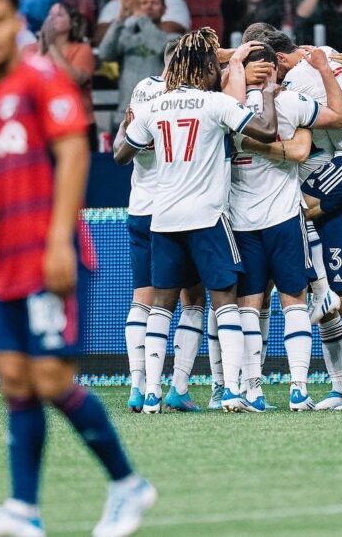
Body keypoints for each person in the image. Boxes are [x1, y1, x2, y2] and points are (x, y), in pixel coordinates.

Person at [0, 0, 155, 537]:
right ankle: (23, 511)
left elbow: (72, 156)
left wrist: (61, 242)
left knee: (50, 378)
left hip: (50, 255)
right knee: (14, 379)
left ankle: (127, 485)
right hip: (10, 262)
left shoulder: (44, 78)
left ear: (17, 23)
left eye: (0, 20)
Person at [114, 31, 280, 413]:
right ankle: (234, 390)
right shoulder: (214, 103)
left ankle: (151, 392)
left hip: (163, 218)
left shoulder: (155, 105)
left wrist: (128, 125)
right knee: (225, 303)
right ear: (207, 67)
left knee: (160, 306)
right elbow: (267, 131)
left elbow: (123, 154)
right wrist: (267, 95)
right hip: (207, 218)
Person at [242, 23, 342, 410]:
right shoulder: (323, 51)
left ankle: (321, 290)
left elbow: (298, 133)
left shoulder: (296, 82)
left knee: (293, 209)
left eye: (263, 64)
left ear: (277, 60)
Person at [228, 43, 342, 411]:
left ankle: (253, 390)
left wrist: (232, 62)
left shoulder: (224, 106)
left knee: (248, 304)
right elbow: (341, 117)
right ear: (275, 71)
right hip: (284, 216)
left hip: (240, 219)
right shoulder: (289, 102)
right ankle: (299, 388)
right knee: (293, 302)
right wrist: (329, 73)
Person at [117, 42, 207, 414]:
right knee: (193, 299)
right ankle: (178, 386)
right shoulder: (196, 97)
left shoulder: (143, 88)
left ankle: (137, 386)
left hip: (140, 205)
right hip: (179, 209)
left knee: (143, 297)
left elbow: (123, 146)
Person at [97, 0, 179, 116]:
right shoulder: (127, 35)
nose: (149, 6)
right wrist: (120, 19)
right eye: (143, 3)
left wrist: (140, 15)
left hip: (160, 114)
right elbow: (104, 54)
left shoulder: (174, 38)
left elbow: (160, 47)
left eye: (154, 3)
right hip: (127, 113)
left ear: (164, 9)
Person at [25, 2, 98, 151]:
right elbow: (26, 83)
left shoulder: (82, 50)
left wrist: (51, 46)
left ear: (71, 24)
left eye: (59, 14)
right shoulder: (30, 50)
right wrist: (43, 46)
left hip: (77, 127)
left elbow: (71, 80)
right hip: (41, 127)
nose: (52, 19)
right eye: (50, 14)